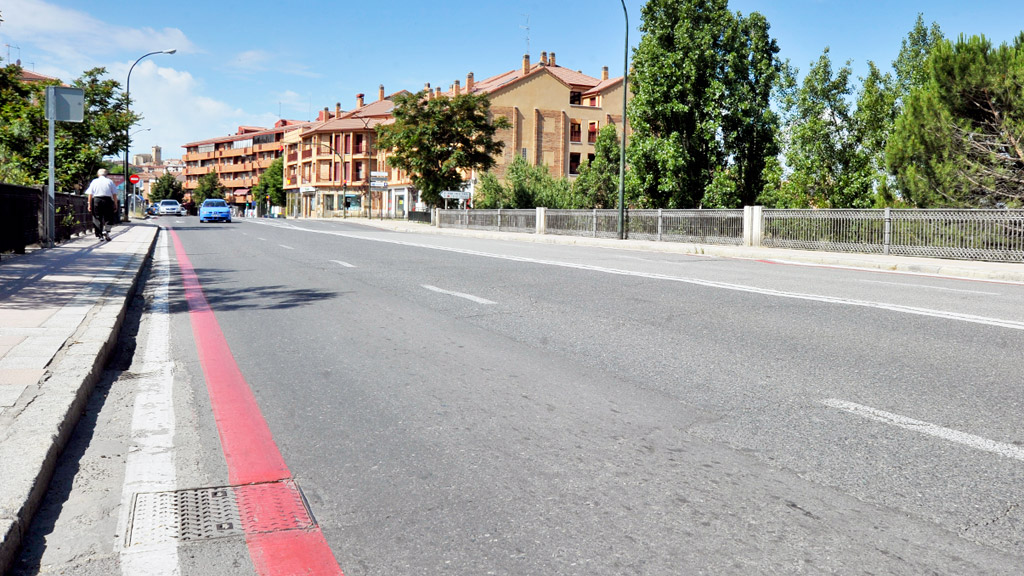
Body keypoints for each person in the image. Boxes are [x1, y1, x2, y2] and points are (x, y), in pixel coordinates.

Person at [85, 168, 117, 241]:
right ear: (106, 175)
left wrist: (89, 204)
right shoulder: (110, 182)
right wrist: (115, 204)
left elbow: (90, 194)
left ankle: (100, 235)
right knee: (108, 217)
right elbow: (114, 194)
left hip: (97, 200)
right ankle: (107, 231)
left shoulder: (94, 181)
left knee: (97, 217)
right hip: (107, 200)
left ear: (98, 174)